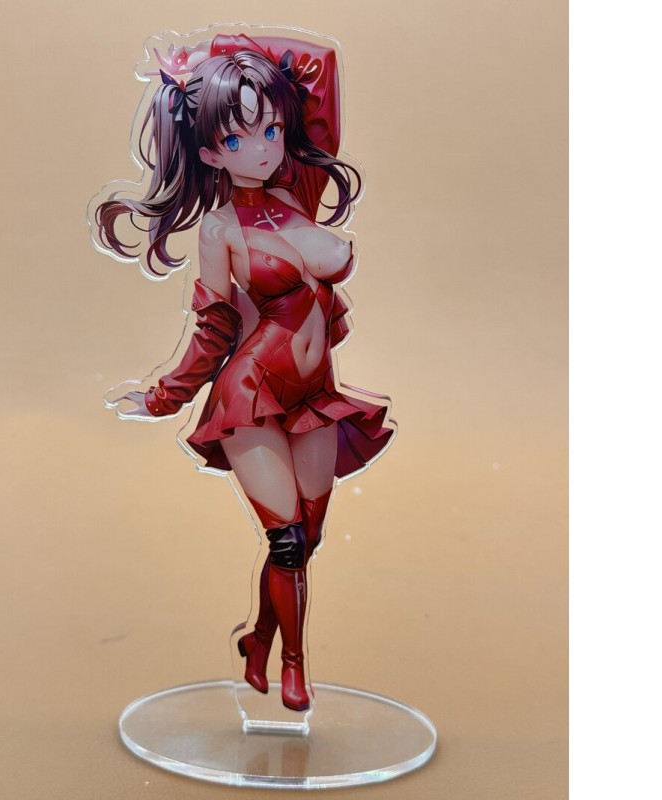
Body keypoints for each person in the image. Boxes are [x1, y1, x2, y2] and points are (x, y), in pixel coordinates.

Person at [94, 32, 394, 712]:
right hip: (252, 395)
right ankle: (292, 666)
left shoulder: (300, 188)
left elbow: (320, 64)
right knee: (286, 542)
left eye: (272, 129)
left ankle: (257, 639)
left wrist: (216, 53)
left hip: (314, 396)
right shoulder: (220, 229)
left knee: (308, 537)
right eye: (236, 138)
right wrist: (163, 396)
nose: (262, 148)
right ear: (209, 153)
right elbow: (215, 328)